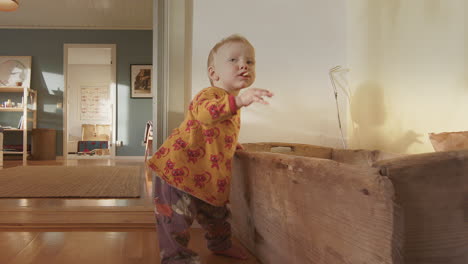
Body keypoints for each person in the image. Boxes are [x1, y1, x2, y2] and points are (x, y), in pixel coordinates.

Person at [147, 34, 274, 264]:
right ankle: (177, 257)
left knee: (217, 213)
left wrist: (233, 145)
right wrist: (240, 101)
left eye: (250, 61)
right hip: (178, 170)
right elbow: (207, 114)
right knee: (175, 219)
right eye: (233, 60)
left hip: (205, 173)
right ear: (214, 73)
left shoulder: (230, 103)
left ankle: (221, 244)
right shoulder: (208, 96)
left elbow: (217, 130)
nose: (243, 65)